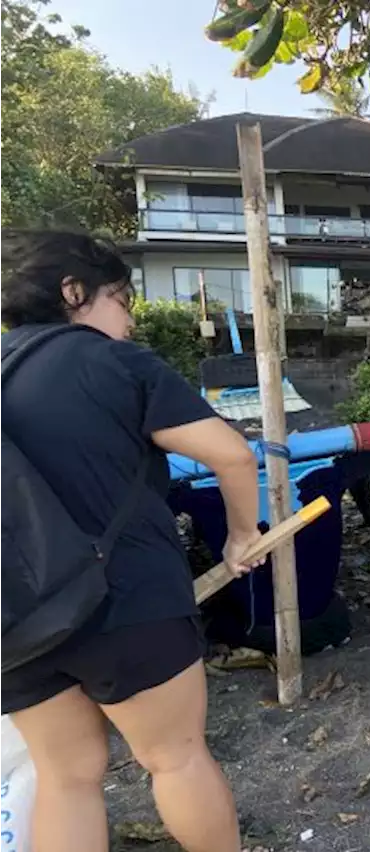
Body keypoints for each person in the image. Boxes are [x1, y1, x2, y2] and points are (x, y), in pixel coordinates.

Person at [0, 231, 265, 852]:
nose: (128, 319)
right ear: (74, 292)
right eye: (122, 300)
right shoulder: (110, 361)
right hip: (124, 601)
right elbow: (229, 453)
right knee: (173, 758)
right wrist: (240, 536)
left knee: (67, 779)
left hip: (14, 619)